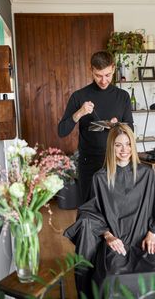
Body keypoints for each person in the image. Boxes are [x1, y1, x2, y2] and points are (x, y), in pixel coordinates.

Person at [64, 124, 155, 298]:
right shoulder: (100, 178)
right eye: (118, 145)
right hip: (117, 243)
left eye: (128, 144)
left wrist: (152, 233)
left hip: (144, 239)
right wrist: (108, 236)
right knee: (110, 279)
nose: (124, 150)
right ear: (111, 148)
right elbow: (89, 213)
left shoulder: (147, 174)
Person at [58, 51, 133, 204]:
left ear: (113, 68)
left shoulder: (123, 96)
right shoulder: (79, 96)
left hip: (116, 161)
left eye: (107, 75)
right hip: (89, 163)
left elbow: (130, 130)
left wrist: (118, 126)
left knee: (116, 207)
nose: (103, 80)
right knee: (89, 208)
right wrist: (79, 113)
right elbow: (62, 131)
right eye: (98, 75)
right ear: (91, 69)